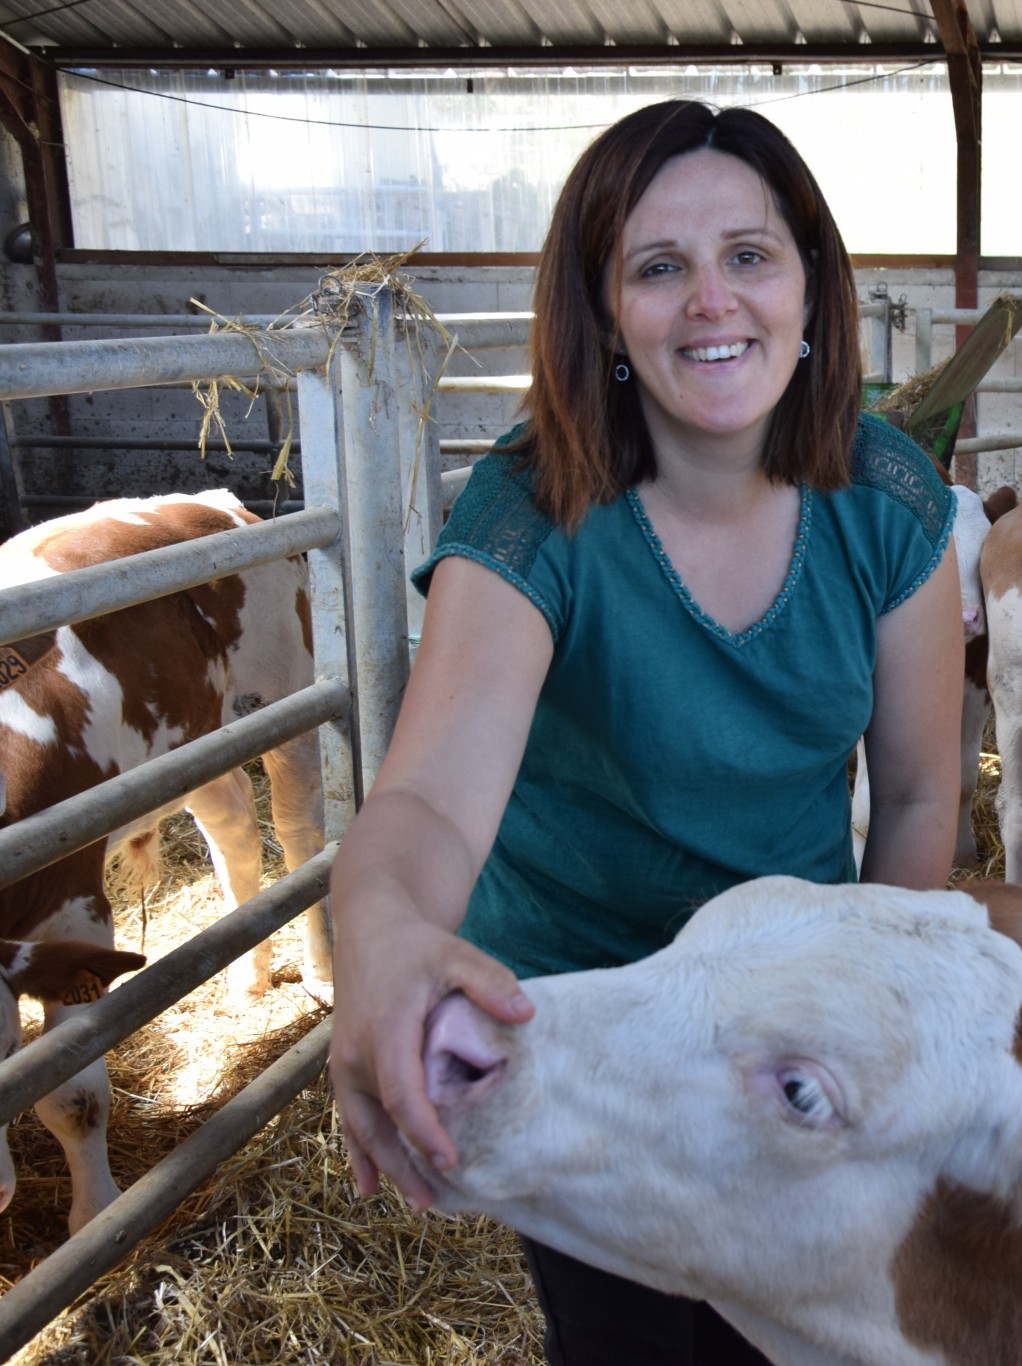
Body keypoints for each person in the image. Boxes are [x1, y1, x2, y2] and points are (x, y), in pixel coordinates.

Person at [327, 100, 965, 1365]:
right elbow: (429, 805)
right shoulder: (531, 514)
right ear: (604, 314)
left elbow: (913, 796)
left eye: (750, 255)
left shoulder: (889, 503)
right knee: (625, 1331)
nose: (712, 301)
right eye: (658, 267)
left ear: (810, 289)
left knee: (787, 1322)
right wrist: (386, 935)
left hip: (784, 1011)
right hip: (582, 1022)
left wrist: (870, 1030)